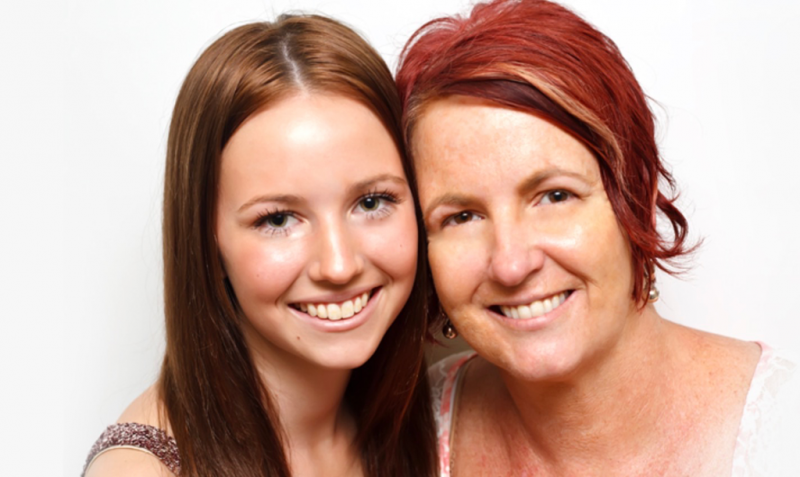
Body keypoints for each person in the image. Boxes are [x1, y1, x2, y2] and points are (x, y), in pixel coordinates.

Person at [396, 0, 800, 475]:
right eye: (462, 216)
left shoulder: (785, 427)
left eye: (555, 196)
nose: (511, 263)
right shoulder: (404, 433)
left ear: (638, 192)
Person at [83, 14, 437, 477]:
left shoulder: (430, 407)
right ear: (208, 244)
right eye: (278, 219)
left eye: (371, 202)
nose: (338, 265)